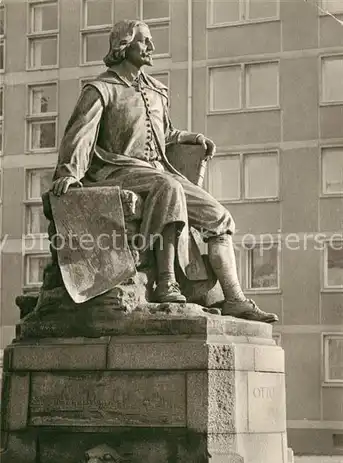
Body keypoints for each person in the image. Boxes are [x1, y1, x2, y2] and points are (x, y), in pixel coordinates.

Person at [51, 19, 278, 323]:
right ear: (123, 45)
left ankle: (234, 298)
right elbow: (80, 134)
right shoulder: (101, 89)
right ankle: (165, 280)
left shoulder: (157, 91)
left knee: (220, 217)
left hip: (158, 170)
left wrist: (190, 138)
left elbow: (164, 133)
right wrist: (69, 171)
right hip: (116, 169)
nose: (151, 47)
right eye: (143, 41)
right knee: (167, 187)